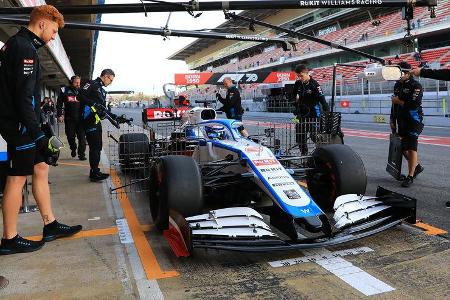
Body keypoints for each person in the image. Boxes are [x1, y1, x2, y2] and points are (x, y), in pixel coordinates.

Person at [0, 5, 82, 255]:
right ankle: (9, 239)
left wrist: (42, 128)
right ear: (43, 23)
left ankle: (50, 224)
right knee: (16, 178)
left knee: (41, 167)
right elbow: (24, 98)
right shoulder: (25, 48)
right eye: (55, 31)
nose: (54, 36)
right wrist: (36, 133)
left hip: (25, 121)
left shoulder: (20, 44)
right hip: (19, 124)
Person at [390, 61, 425, 187]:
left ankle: (410, 176)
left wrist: (398, 101)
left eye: (401, 73)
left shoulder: (416, 86)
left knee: (411, 147)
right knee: (401, 148)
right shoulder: (397, 85)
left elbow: (413, 105)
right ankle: (417, 166)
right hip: (402, 120)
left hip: (415, 120)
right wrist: (392, 120)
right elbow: (394, 104)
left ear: (408, 73)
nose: (399, 76)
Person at [78, 69, 116, 182]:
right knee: (95, 147)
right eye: (111, 79)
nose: (111, 82)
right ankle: (94, 173)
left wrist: (116, 117)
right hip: (88, 120)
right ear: (105, 76)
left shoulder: (102, 91)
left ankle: (95, 171)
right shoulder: (92, 84)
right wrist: (92, 104)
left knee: (98, 146)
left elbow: (102, 109)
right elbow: (80, 95)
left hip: (96, 121)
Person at [291, 64, 330, 155]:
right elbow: (292, 97)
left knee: (314, 135)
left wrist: (327, 115)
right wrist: (296, 105)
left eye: (301, 76)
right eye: (298, 76)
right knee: (300, 137)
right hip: (301, 114)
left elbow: (323, 101)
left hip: (314, 115)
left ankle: (323, 152)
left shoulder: (315, 85)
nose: (300, 78)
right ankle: (304, 155)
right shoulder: (297, 83)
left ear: (306, 73)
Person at [57, 75, 86, 160]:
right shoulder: (64, 90)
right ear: (71, 82)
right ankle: (73, 148)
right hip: (69, 119)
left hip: (81, 119)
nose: (78, 84)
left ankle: (81, 154)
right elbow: (59, 103)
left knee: (82, 138)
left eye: (79, 83)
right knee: (70, 136)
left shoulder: (82, 91)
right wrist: (60, 114)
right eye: (76, 83)